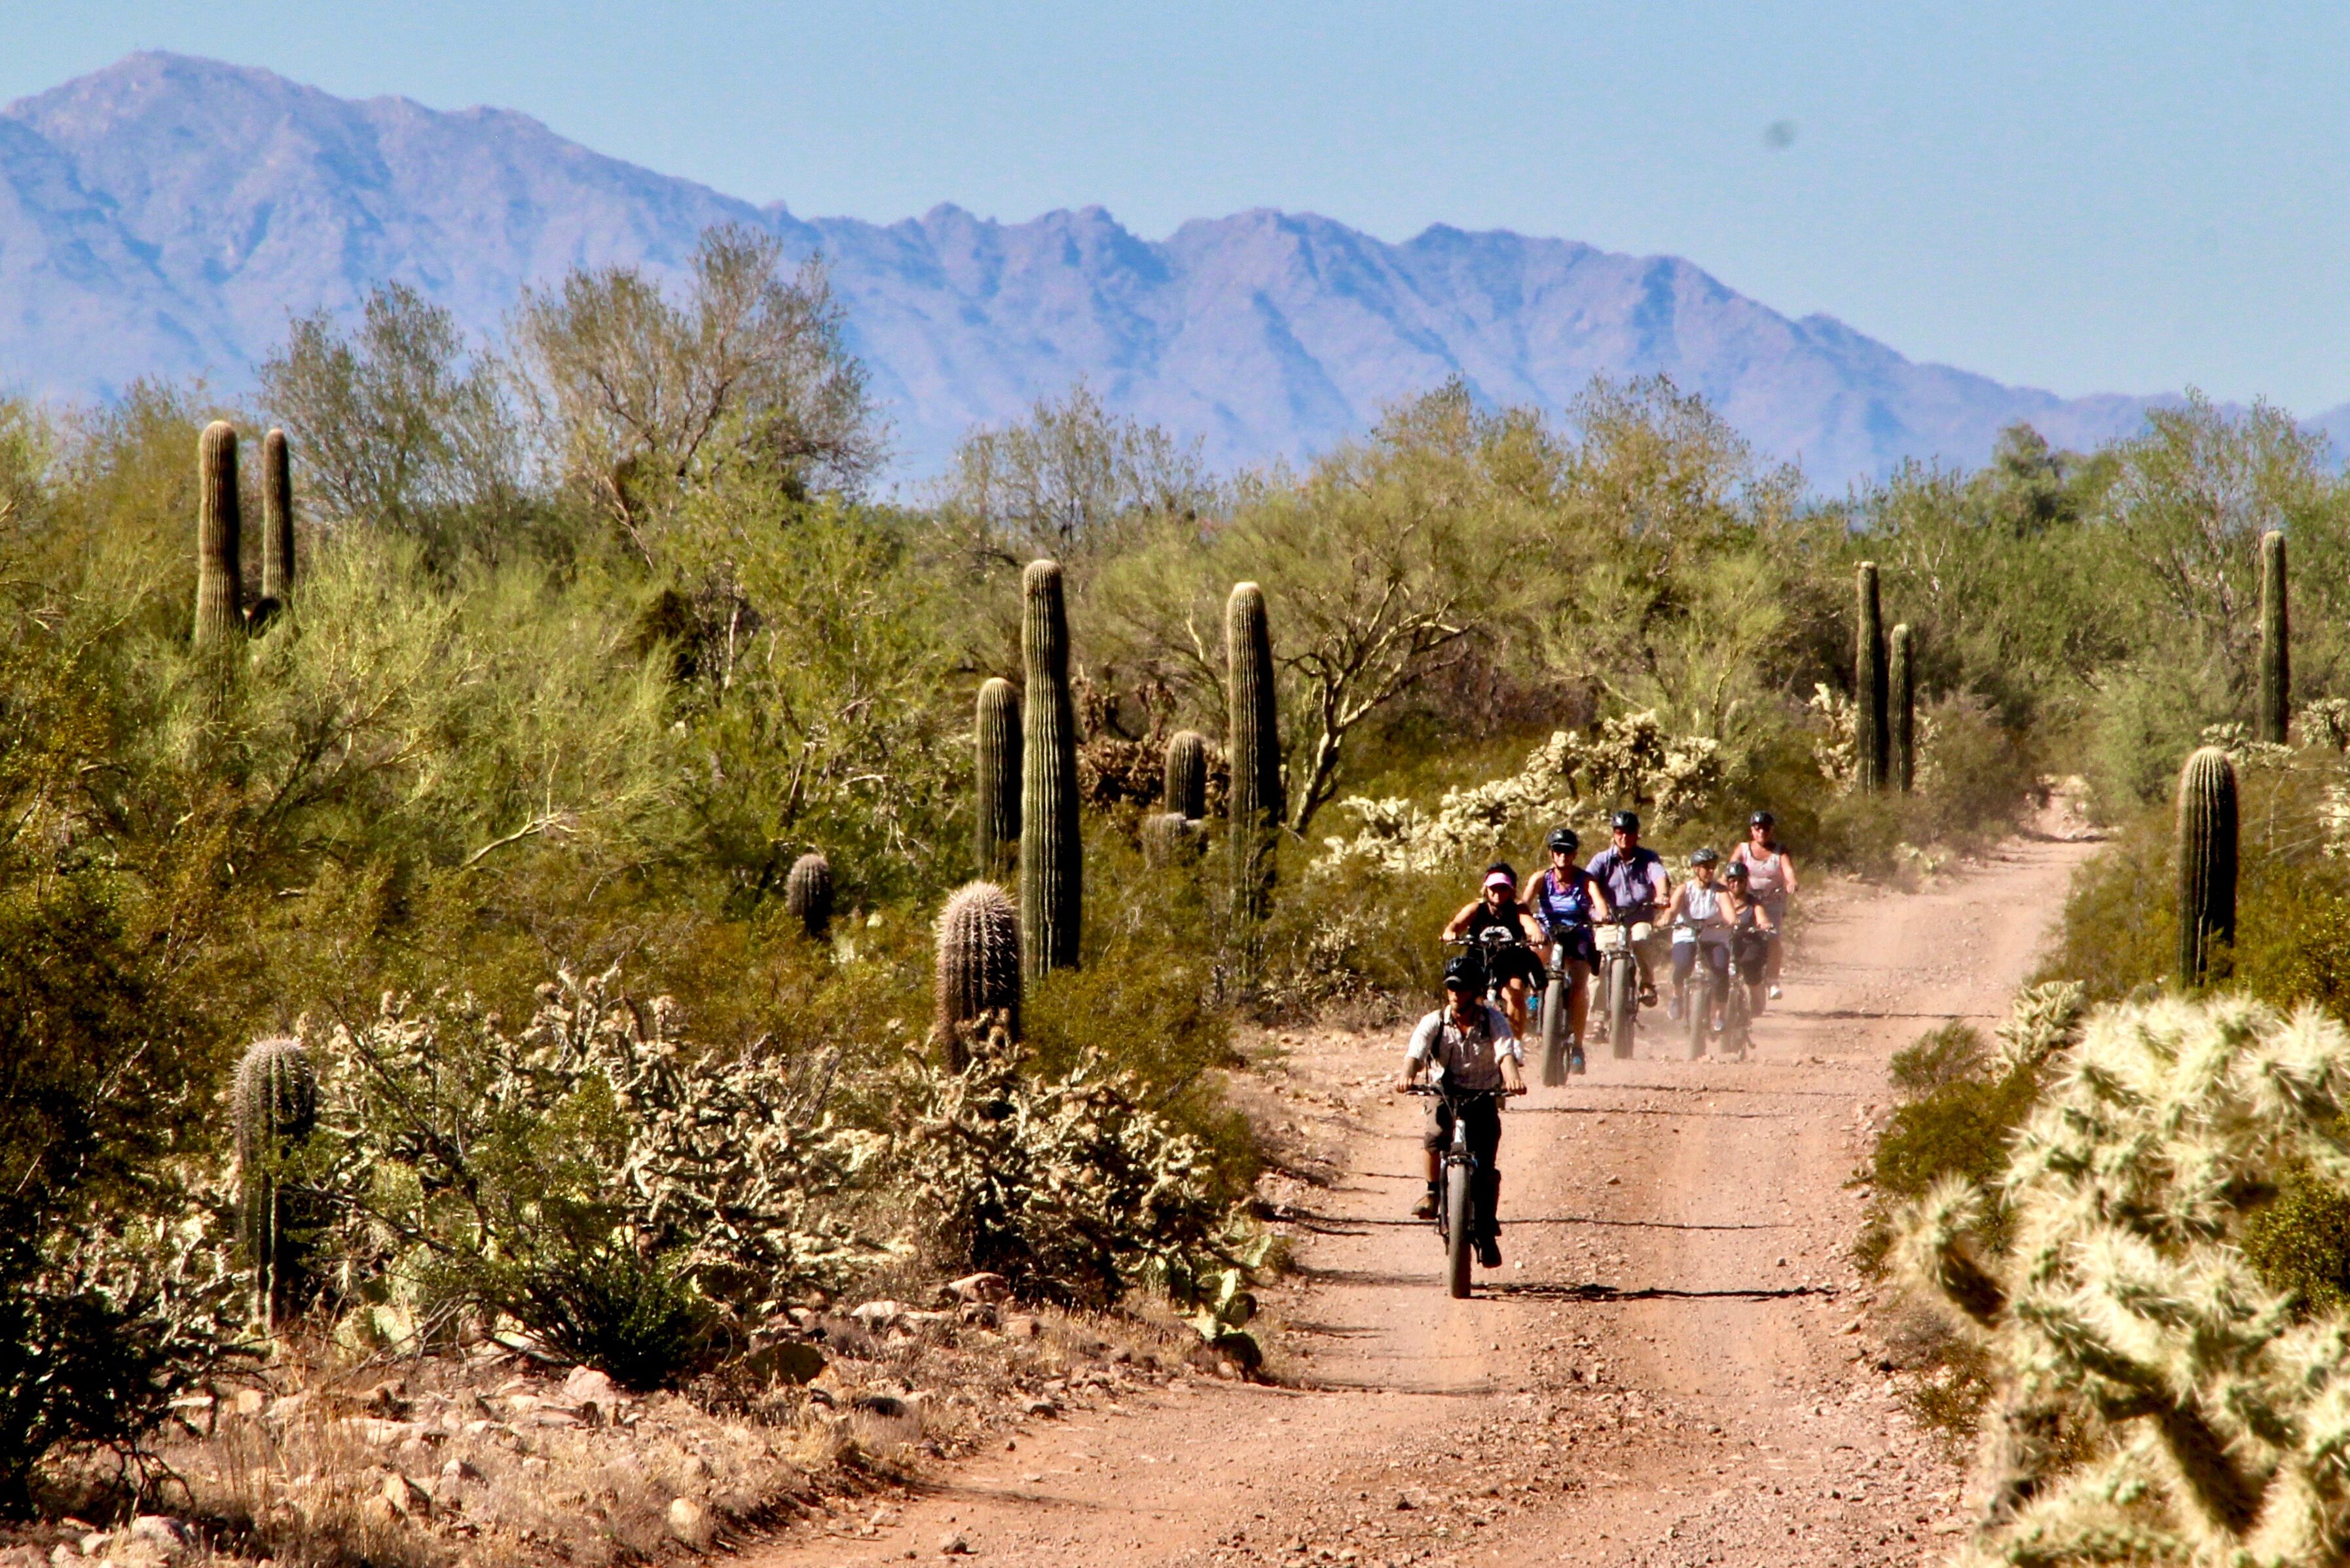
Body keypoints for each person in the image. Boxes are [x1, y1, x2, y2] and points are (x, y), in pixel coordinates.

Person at [1399, 956, 1528, 1266]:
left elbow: (1505, 1052)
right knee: (1434, 1134)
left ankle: (1485, 1227)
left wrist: (1511, 1077)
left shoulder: (1493, 1020)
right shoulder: (1435, 1021)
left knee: (1486, 1165)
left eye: (1462, 988)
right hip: (1445, 1091)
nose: (1455, 994)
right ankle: (1432, 1192)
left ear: (1476, 991)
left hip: (1483, 1093)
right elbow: (1416, 1052)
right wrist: (1408, 1075)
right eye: (1451, 988)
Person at [1524, 826, 1611, 1075]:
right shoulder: (1540, 879)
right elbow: (1525, 901)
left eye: (1568, 851)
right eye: (1558, 850)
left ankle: (1578, 1047)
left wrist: (1603, 915)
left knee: (1580, 984)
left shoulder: (1586, 880)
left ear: (1574, 854)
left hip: (1578, 933)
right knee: (1536, 948)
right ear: (1552, 853)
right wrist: (1523, 915)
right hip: (1549, 932)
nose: (1563, 856)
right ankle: (1535, 992)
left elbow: (1599, 903)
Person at [1441, 864, 1549, 1040]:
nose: (1497, 893)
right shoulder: (1477, 909)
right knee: (1465, 997)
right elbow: (1457, 923)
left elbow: (1530, 924)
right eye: (1493, 888)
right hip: (1478, 964)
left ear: (1511, 890)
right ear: (1486, 889)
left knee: (1516, 992)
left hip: (1510, 965)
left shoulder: (1518, 909)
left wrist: (1536, 933)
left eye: (1503, 888)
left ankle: (1515, 1044)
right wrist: (1450, 932)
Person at [1584, 811, 1671, 1010]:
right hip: (1609, 919)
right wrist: (1600, 906)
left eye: (1630, 832)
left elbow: (1659, 876)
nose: (1624, 837)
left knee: (1642, 937)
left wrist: (1663, 895)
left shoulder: (1648, 858)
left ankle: (1647, 983)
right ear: (1614, 834)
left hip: (1639, 916)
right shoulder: (1602, 860)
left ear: (1637, 834)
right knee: (1601, 960)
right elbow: (1589, 882)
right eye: (1620, 832)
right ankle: (1598, 1017)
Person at [1731, 810, 1799, 998]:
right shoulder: (1743, 849)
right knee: (1734, 931)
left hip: (1772, 902)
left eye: (1766, 828)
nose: (1762, 832)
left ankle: (1773, 980)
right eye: (1758, 828)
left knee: (1772, 938)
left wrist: (1791, 882)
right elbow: (1730, 869)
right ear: (1752, 830)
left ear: (1772, 830)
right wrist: (1722, 886)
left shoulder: (1779, 851)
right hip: (1747, 902)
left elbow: (1788, 870)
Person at [1662, 848, 1731, 1029]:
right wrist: (1666, 918)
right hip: (1687, 935)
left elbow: (1728, 911)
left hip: (1714, 937)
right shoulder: (1685, 889)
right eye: (1705, 867)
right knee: (1683, 964)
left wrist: (1733, 921)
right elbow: (1672, 909)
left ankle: (1720, 1015)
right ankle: (1677, 997)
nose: (1710, 871)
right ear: (1695, 868)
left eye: (1713, 867)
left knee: (1721, 969)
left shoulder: (1720, 891)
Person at [1721, 860, 1778, 1007]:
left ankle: (1756, 997)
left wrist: (1763, 923)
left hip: (1749, 941)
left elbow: (1761, 916)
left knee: (1751, 966)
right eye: (1733, 880)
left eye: (1741, 880)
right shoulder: (1720, 900)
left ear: (1746, 882)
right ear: (1727, 881)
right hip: (1726, 941)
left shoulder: (1753, 902)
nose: (1737, 884)